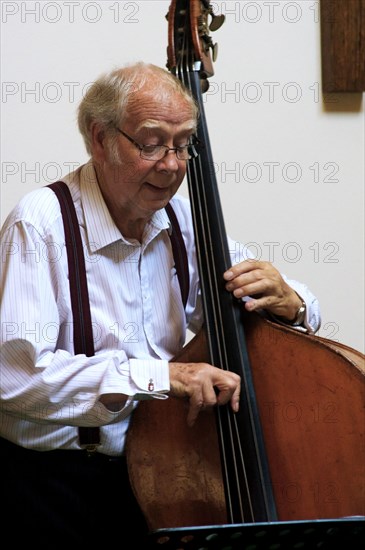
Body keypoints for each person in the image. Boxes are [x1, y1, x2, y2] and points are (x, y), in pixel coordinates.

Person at [0, 62, 321, 545]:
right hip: (57, 486)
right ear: (100, 138)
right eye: (151, 143)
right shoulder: (40, 224)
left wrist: (292, 301)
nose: (172, 164)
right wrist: (159, 377)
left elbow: (272, 302)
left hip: (161, 471)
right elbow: (16, 378)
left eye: (183, 143)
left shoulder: (179, 219)